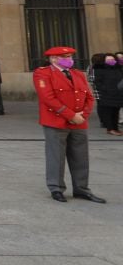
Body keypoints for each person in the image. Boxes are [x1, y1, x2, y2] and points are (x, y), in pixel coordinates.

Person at [34, 46, 106, 204]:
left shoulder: (77, 74)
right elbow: (48, 98)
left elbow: (89, 97)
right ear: (54, 59)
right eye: (65, 56)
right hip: (56, 121)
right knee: (56, 156)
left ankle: (81, 188)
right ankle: (56, 188)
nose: (69, 59)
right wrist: (71, 115)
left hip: (79, 122)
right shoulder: (43, 73)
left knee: (80, 157)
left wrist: (83, 116)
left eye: (70, 56)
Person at [91, 53, 123, 136]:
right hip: (106, 94)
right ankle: (110, 129)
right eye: (109, 60)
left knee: (115, 112)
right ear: (104, 61)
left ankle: (116, 128)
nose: (111, 61)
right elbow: (97, 82)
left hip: (117, 94)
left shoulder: (117, 68)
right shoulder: (99, 69)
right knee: (108, 112)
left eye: (113, 59)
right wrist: (106, 89)